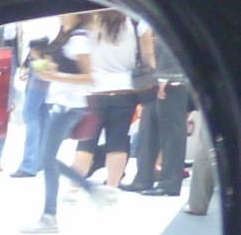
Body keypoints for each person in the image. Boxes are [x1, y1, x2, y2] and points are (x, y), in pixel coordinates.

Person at [21, 13, 95, 234]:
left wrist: (53, 77)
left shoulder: (78, 39)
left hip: (69, 105)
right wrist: (53, 72)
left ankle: (50, 216)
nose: (59, 17)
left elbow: (88, 77)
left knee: (47, 157)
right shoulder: (70, 36)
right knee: (47, 157)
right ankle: (52, 213)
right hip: (64, 104)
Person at [69, 10, 152, 202]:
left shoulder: (90, 20)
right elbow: (148, 55)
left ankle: (73, 190)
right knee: (118, 141)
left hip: (95, 91)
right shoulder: (136, 21)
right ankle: (111, 190)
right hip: (125, 89)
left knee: (86, 142)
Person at [124, 30, 188, 196]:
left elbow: (175, 45)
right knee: (148, 129)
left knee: (171, 133)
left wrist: (166, 76)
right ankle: (143, 178)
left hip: (172, 80)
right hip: (156, 78)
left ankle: (169, 183)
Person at [11, 37, 53, 177]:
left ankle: (28, 165)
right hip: (45, 89)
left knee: (30, 116)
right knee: (43, 118)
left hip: (37, 87)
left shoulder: (38, 63)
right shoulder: (47, 60)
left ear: (34, 50)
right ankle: (39, 162)